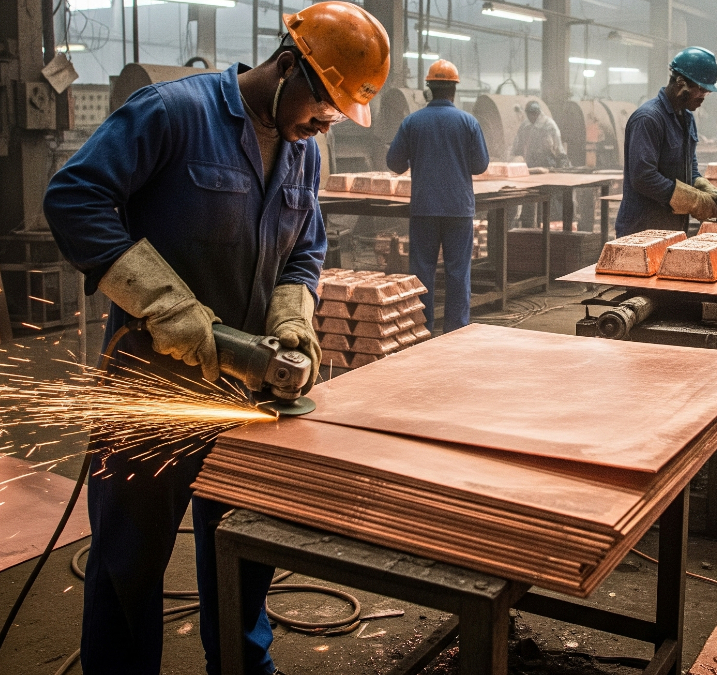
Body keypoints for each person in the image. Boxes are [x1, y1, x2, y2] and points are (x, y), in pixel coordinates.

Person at [42, 4, 390, 673]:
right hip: (152, 387)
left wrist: (291, 316)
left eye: (339, 113)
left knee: (243, 550)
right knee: (129, 563)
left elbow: (306, 249)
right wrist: (164, 305)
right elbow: (74, 198)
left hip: (247, 393)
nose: (327, 122)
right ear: (286, 67)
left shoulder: (302, 152)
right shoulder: (173, 114)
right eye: (325, 103)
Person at [386, 59, 489, 333]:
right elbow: (480, 165)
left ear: (429, 88)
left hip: (424, 208)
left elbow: (395, 163)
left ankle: (422, 329)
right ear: (454, 89)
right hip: (458, 209)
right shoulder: (468, 122)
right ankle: (456, 330)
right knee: (458, 272)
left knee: (422, 272)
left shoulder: (412, 122)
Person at [615, 46, 717, 237]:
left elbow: (689, 170)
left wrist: (709, 192)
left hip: (674, 227)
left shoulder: (687, 118)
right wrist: (697, 202)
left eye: (707, 92)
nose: (703, 97)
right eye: (701, 89)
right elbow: (644, 178)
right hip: (641, 229)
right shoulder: (648, 119)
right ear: (680, 83)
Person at [510, 100, 570, 169]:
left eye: (533, 114)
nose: (530, 117)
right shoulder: (525, 125)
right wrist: (516, 159)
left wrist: (562, 162)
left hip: (548, 164)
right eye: (528, 114)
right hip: (530, 163)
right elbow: (518, 145)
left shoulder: (549, 125)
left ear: (538, 113)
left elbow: (558, 147)